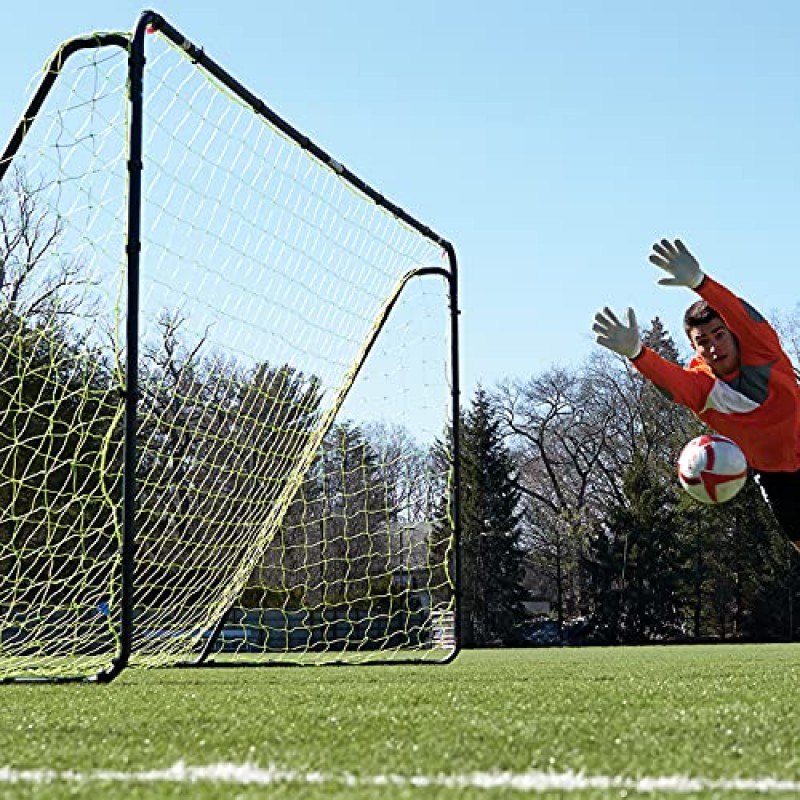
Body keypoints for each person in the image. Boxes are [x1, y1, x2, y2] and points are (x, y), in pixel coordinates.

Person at [592, 238, 800, 553]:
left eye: (720, 335)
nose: (714, 347)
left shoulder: (762, 351)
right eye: (703, 341)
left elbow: (740, 315)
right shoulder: (702, 388)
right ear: (694, 348)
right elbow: (670, 380)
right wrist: (636, 352)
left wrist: (701, 283)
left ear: (732, 333)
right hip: (778, 477)